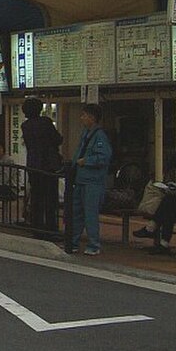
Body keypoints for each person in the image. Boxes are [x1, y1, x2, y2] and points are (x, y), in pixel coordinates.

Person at [70, 103, 113, 255]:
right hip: (81, 179)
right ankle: (73, 242)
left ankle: (94, 245)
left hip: (93, 181)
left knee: (90, 214)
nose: (82, 118)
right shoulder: (86, 134)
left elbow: (104, 157)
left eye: (84, 115)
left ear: (92, 117)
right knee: (77, 212)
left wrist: (86, 161)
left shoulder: (99, 136)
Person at [21, 97, 63, 231]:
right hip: (48, 166)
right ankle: (51, 227)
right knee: (50, 199)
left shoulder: (25, 126)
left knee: (37, 198)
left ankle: (37, 226)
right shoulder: (45, 122)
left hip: (33, 165)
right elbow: (58, 139)